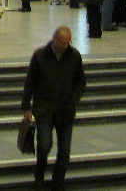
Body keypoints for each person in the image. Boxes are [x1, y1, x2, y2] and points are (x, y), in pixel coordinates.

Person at [21, 26, 87, 191]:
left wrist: (74, 99)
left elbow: (80, 82)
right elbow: (30, 83)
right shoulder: (40, 56)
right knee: (44, 145)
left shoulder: (74, 56)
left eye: (68, 43)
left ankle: (58, 183)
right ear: (54, 39)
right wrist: (26, 107)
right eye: (62, 42)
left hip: (66, 110)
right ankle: (39, 176)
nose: (66, 46)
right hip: (44, 108)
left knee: (64, 151)